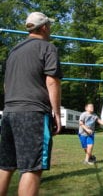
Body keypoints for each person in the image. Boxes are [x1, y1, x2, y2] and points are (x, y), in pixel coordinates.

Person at [0, 12, 62, 196]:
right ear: (43, 27)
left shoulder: (14, 51)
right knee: (32, 168)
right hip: (33, 114)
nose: (50, 29)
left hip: (9, 112)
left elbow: (5, 84)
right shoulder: (47, 47)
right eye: (49, 25)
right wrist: (56, 113)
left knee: (5, 165)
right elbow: (52, 82)